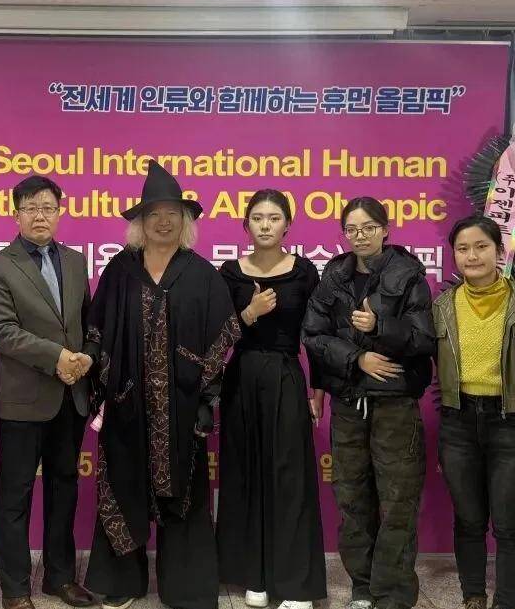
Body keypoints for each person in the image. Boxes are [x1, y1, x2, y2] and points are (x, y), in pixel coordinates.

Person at [83, 162, 240, 609]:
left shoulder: (201, 273)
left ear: (185, 221)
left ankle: (186, 587)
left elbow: (222, 335)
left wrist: (206, 394)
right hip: (126, 401)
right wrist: (94, 372)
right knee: (121, 485)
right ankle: (122, 582)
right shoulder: (120, 270)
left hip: (182, 405)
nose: (164, 221)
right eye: (154, 214)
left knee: (185, 494)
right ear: (140, 222)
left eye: (173, 213)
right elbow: (97, 330)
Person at [302, 196, 434, 609]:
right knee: (352, 500)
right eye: (352, 229)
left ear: (385, 229)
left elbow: (424, 339)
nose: (360, 236)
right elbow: (313, 335)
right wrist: (357, 358)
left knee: (397, 500)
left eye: (369, 227)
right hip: (348, 401)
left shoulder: (408, 274)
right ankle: (362, 588)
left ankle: (391, 594)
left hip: (394, 403)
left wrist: (381, 328)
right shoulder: (333, 276)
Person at [0, 175, 96, 609]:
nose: (40, 215)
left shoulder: (76, 261)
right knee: (15, 496)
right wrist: (58, 357)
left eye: (48, 207)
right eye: (30, 208)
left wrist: (86, 357)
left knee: (64, 489)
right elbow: (2, 331)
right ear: (16, 215)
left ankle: (59, 578)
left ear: (59, 212)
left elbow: (87, 321)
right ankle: (14, 590)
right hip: (23, 401)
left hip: (71, 397)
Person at [432, 215, 515, 609]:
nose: (472, 256)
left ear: (499, 251)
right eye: (463, 249)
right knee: (468, 520)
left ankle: (505, 603)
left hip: (514, 425)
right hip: (458, 422)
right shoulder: (442, 306)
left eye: (481, 246)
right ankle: (473, 595)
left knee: (509, 525)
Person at [216, 189, 327, 609]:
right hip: (241, 377)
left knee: (289, 478)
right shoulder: (230, 273)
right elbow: (215, 335)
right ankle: (254, 576)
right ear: (245, 225)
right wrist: (249, 313)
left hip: (285, 375)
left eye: (274, 218)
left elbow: (317, 336)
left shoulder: (304, 272)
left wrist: (318, 389)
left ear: (287, 225)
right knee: (245, 473)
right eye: (258, 218)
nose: (265, 225)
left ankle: (295, 585)